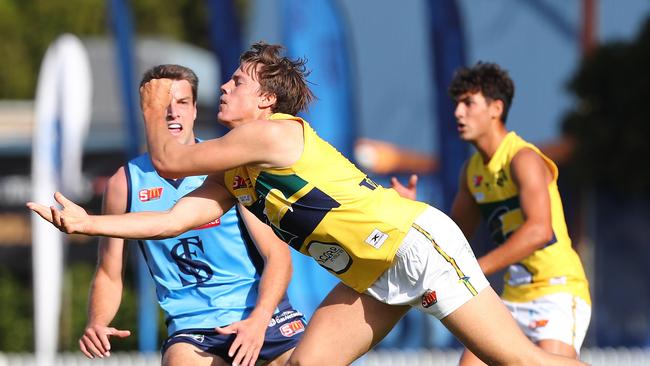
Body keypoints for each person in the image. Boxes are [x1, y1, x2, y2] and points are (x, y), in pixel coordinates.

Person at [29, 42, 587, 366]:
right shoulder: (237, 168)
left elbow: (171, 163)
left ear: (266, 100)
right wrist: (86, 221)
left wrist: (155, 108)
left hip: (415, 249)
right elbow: (178, 215)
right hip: (374, 272)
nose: (223, 88)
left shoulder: (271, 134)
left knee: (520, 364)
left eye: (237, 81)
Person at [77, 64, 306, 366]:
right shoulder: (125, 183)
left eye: (182, 102)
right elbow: (109, 271)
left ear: (195, 110)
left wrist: (260, 320)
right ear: (147, 109)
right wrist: (97, 321)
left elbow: (278, 257)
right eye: (163, 104)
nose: (173, 112)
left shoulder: (228, 165)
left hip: (261, 314)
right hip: (193, 328)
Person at [397, 62, 592, 365]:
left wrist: (474, 271)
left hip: (557, 292)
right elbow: (451, 236)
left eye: (468, 103)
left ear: (496, 108)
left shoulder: (523, 158)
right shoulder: (472, 171)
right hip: (512, 296)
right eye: (456, 104)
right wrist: (412, 211)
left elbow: (539, 231)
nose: (458, 113)